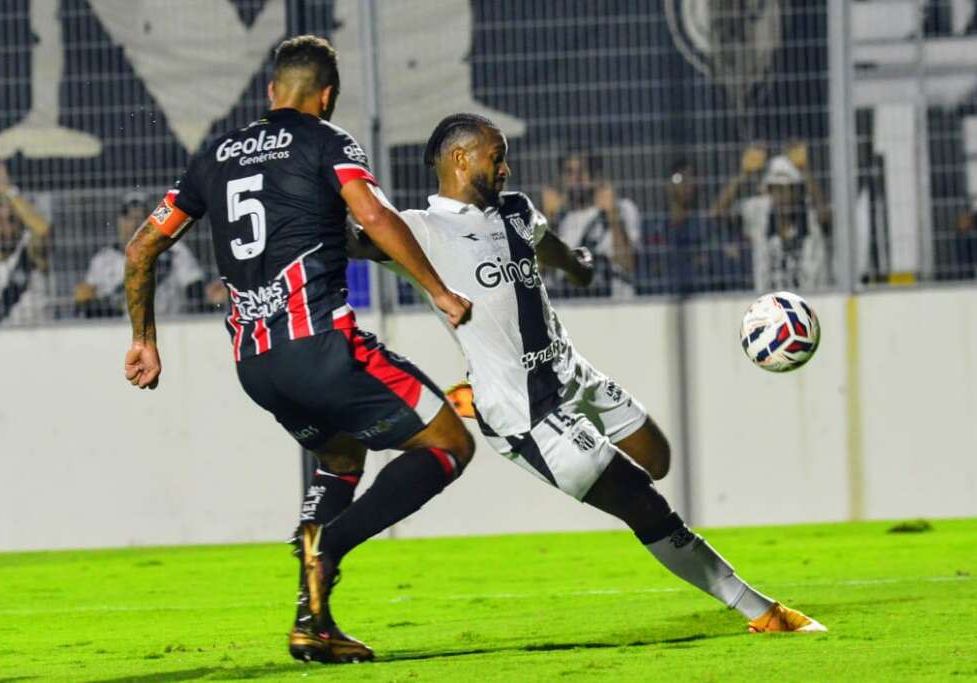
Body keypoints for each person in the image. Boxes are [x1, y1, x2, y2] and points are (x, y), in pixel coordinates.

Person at [349, 113, 826, 635]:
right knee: (642, 500)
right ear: (460, 158)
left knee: (658, 457)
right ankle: (761, 610)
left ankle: (481, 390)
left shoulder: (515, 210)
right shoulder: (420, 229)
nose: (506, 168)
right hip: (526, 413)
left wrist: (574, 264)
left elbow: (543, 243)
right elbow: (356, 238)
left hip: (573, 374)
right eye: (496, 156)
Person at [123, 35, 476, 665]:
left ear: (270, 92)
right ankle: (330, 547)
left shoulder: (214, 157)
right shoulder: (327, 141)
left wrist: (145, 341)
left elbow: (142, 248)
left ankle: (311, 623)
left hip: (257, 366)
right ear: (328, 96)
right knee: (450, 444)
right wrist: (440, 291)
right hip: (323, 347)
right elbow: (372, 214)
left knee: (339, 455)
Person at [75, 191, 222, 318]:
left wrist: (212, 296)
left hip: (169, 327)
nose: (135, 223)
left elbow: (195, 289)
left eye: (142, 216)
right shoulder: (104, 258)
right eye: (129, 217)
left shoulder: (174, 250)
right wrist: (85, 297)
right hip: (119, 331)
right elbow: (87, 296)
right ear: (119, 221)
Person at [711, 142, 831, 292]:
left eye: (790, 189)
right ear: (769, 191)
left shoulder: (808, 214)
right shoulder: (759, 212)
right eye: (777, 189)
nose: (784, 196)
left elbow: (825, 217)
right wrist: (743, 175)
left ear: (799, 191)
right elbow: (716, 212)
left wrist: (805, 170)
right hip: (769, 307)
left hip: (812, 304)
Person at [638, 159, 749, 295]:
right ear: (668, 185)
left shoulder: (705, 225)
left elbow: (721, 267)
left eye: (691, 179)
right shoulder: (654, 227)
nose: (686, 184)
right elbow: (647, 273)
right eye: (680, 178)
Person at [541, 150, 641, 298]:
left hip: (618, 308)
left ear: (597, 176)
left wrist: (612, 215)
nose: (576, 179)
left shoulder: (623, 208)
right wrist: (548, 219)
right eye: (569, 172)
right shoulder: (560, 219)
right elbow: (540, 271)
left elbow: (629, 264)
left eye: (582, 171)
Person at [0, 162, 51, 325]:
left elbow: (43, 230)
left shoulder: (28, 249)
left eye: (10, 220)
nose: (4, 227)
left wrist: (8, 190)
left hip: (35, 337)